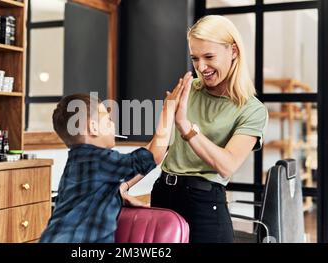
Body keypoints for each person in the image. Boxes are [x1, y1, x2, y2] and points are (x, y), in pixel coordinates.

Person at [149, 15, 269, 243]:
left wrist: (186, 127)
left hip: (205, 205)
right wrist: (121, 186)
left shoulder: (252, 110)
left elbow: (227, 165)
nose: (201, 67)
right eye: (195, 58)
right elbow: (156, 149)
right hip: (163, 195)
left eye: (209, 56)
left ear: (233, 51)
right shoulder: (187, 90)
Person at [40, 72, 193, 243]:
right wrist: (168, 111)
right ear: (93, 127)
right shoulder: (100, 159)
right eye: (108, 120)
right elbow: (153, 156)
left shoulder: (77, 160)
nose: (113, 124)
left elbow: (144, 157)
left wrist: (115, 194)